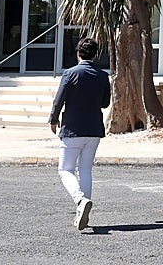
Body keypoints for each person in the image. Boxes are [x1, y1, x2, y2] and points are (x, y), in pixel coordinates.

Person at [49, 37, 111, 231]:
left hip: (73, 128)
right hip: (94, 128)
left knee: (65, 169)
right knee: (85, 170)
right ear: (95, 55)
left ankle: (79, 200)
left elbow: (59, 99)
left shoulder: (70, 73)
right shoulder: (102, 75)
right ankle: (83, 211)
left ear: (78, 53)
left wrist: (53, 118)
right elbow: (105, 103)